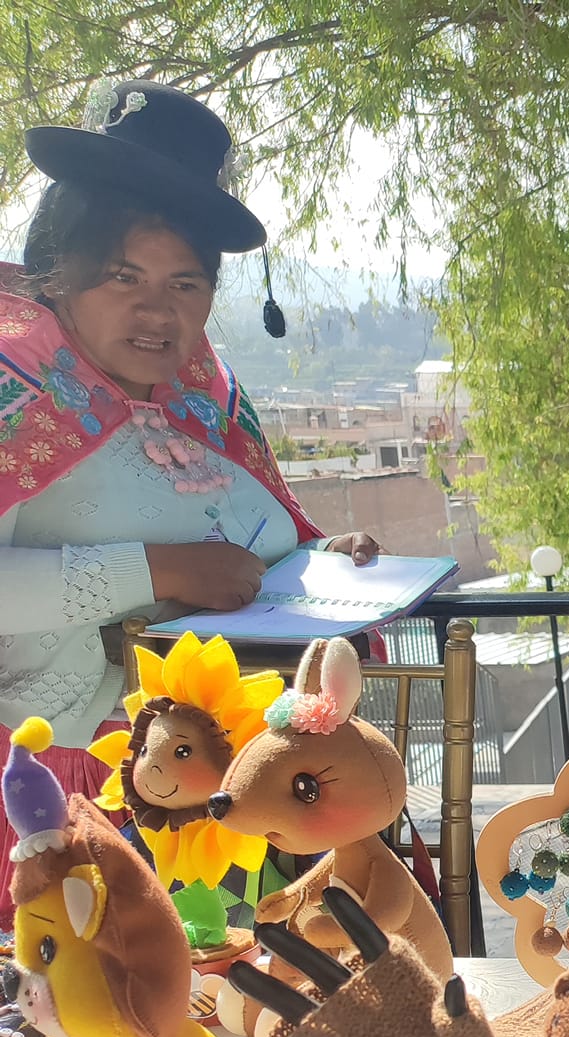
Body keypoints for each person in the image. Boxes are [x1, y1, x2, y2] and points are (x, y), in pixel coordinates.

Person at [0, 81, 380, 914]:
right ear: (59, 274)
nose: (157, 310)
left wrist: (320, 558)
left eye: (185, 284)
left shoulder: (207, 396)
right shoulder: (12, 385)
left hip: (225, 799)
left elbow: (258, 547)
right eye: (123, 276)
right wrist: (159, 569)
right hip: (51, 798)